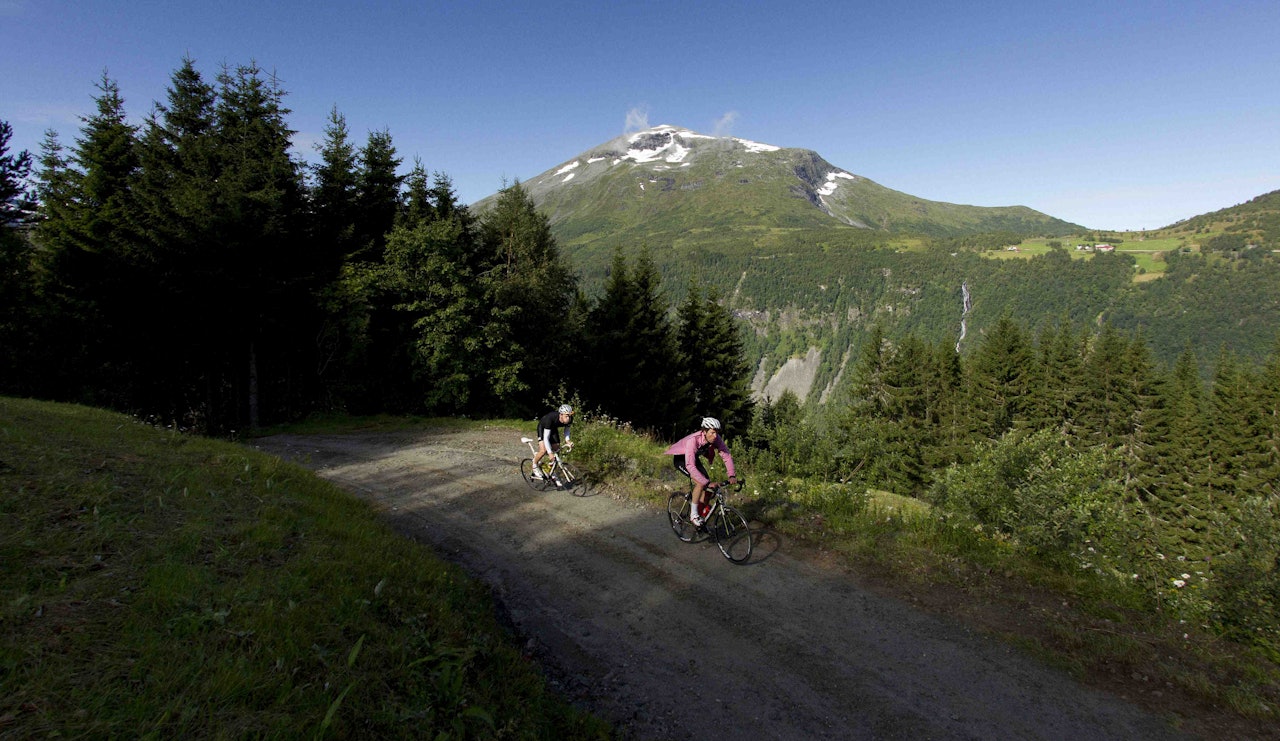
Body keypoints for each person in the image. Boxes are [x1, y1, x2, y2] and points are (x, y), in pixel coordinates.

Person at [664, 416, 737, 527]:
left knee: (709, 488)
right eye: (712, 432)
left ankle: (700, 511)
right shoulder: (693, 440)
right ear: (704, 431)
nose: (715, 436)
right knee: (701, 483)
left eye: (716, 432)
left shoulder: (716, 438)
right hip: (681, 460)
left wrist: (731, 475)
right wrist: (705, 482)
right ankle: (693, 515)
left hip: (693, 458)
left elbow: (726, 455)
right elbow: (690, 466)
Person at [531, 404, 575, 480]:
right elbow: (546, 438)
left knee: (557, 449)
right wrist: (550, 453)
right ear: (561, 415)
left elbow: (567, 430)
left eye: (569, 416)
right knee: (543, 450)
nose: (568, 418)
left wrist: (567, 440)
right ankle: (534, 465)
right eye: (566, 416)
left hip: (553, 428)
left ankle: (549, 469)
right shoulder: (550, 418)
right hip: (543, 427)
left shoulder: (570, 419)